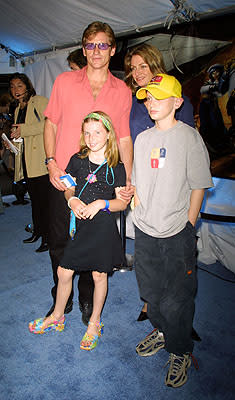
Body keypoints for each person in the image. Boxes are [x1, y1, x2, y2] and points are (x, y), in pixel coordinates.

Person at [44, 21, 133, 324]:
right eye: (91, 45)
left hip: (99, 183)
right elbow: (51, 123)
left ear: (113, 49)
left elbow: (123, 137)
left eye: (103, 44)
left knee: (91, 244)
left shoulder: (121, 90)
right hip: (65, 177)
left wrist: (128, 180)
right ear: (84, 49)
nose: (97, 51)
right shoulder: (64, 82)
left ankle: (84, 298)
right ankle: (61, 296)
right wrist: (51, 162)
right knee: (58, 239)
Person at [131, 74, 213, 388]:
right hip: (145, 229)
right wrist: (137, 209)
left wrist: (189, 226)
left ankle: (180, 349)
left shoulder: (189, 137)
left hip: (177, 232)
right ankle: (163, 332)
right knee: (150, 292)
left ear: (177, 102)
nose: (151, 102)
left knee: (178, 297)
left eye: (158, 96)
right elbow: (137, 181)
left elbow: (198, 186)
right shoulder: (142, 138)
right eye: (147, 97)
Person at [29, 111, 128, 350]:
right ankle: (57, 316)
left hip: (102, 227)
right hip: (80, 225)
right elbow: (68, 188)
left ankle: (94, 323)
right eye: (87, 133)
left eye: (97, 132)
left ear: (108, 134)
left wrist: (101, 204)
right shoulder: (77, 159)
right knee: (64, 272)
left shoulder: (116, 166)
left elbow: (121, 203)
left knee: (98, 276)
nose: (92, 138)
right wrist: (71, 201)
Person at [124, 43, 194, 322]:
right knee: (147, 251)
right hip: (143, 183)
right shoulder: (133, 101)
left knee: (175, 255)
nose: (137, 72)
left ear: (155, 64)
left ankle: (179, 318)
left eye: (143, 65)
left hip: (171, 185)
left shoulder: (177, 99)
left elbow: (187, 144)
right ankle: (149, 303)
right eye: (133, 67)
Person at [8, 73, 50, 252]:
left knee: (45, 203)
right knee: (34, 201)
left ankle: (48, 238)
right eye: (12, 86)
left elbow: (49, 124)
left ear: (27, 86)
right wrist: (12, 142)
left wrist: (23, 131)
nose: (15, 90)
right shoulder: (17, 108)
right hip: (25, 161)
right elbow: (21, 134)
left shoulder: (39, 101)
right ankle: (38, 232)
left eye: (19, 85)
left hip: (40, 161)